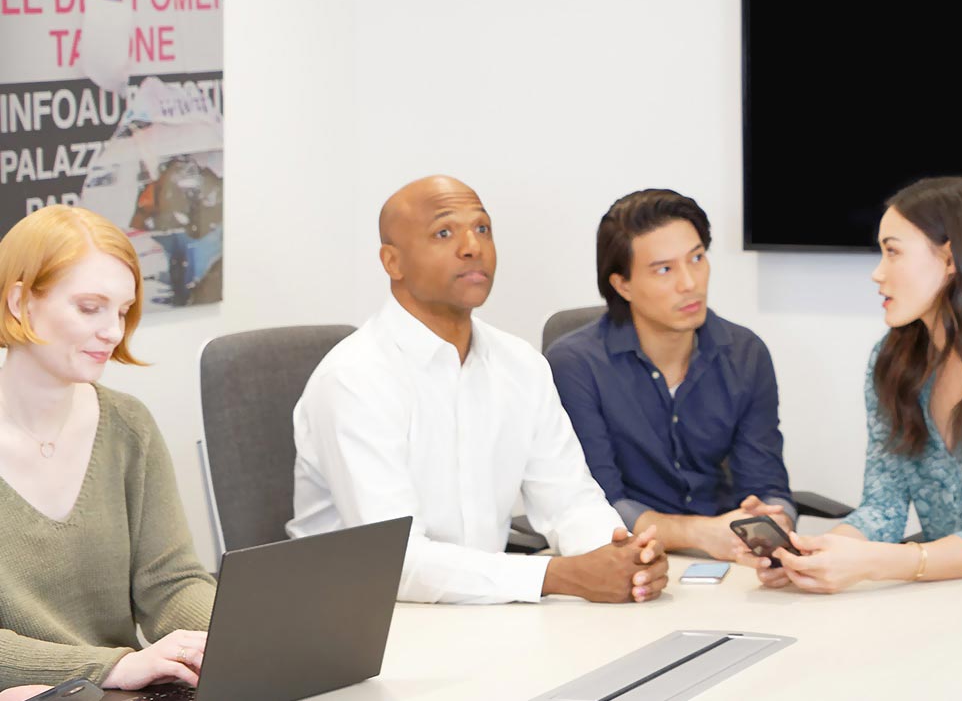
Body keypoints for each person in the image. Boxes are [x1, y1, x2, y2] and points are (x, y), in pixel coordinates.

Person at [287, 176, 667, 604]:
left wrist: (623, 556)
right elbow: (397, 561)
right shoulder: (354, 378)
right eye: (443, 233)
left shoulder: (520, 364)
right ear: (392, 262)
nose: (472, 246)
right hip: (357, 617)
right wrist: (559, 576)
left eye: (482, 228)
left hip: (482, 609)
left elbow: (570, 502)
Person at [732, 176, 962, 592]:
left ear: (951, 258)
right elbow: (882, 508)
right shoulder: (893, 362)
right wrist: (811, 553)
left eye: (893, 252)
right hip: (946, 589)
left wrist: (870, 564)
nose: (877, 273)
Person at [0, 206, 214, 693]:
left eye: (121, 311)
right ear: (19, 302)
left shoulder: (128, 425)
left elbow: (170, 582)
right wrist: (111, 666)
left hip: (120, 688)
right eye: (89, 308)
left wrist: (234, 632)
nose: (114, 332)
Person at [548, 189, 793, 559]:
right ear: (622, 285)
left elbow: (766, 484)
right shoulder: (576, 365)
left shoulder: (745, 353)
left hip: (725, 555)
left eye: (697, 258)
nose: (689, 283)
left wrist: (775, 520)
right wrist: (699, 533)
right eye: (664, 269)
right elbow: (596, 504)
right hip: (624, 556)